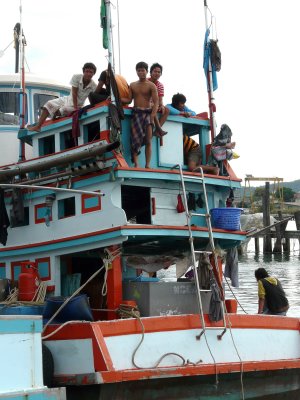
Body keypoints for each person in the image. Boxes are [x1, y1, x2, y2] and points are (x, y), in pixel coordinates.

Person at [28, 63, 97, 132]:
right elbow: (74, 93)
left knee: (63, 110)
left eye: (91, 72)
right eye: (87, 71)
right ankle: (38, 126)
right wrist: (75, 108)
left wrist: (76, 108)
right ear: (83, 71)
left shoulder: (93, 86)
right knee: (48, 104)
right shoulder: (77, 77)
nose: (88, 74)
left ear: (93, 74)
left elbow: (93, 98)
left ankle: (54, 115)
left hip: (78, 105)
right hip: (69, 99)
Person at [167, 93, 218, 174]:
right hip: (190, 151)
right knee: (195, 169)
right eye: (181, 104)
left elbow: (194, 113)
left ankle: (213, 169)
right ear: (175, 104)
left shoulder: (184, 108)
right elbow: (168, 109)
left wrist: (188, 113)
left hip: (195, 149)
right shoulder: (170, 107)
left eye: (184, 104)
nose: (183, 106)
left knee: (191, 167)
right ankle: (209, 170)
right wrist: (183, 113)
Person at [123, 61, 159, 168]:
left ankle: (147, 165)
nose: (141, 73)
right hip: (136, 113)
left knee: (148, 140)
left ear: (147, 71)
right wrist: (116, 98)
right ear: (136, 72)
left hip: (147, 114)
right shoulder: (133, 85)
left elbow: (156, 102)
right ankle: (137, 164)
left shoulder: (151, 85)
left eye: (143, 70)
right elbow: (129, 100)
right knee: (135, 140)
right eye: (139, 71)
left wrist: (152, 115)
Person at [148, 63, 169, 136]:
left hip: (154, 104)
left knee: (166, 110)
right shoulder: (145, 81)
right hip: (144, 103)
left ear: (161, 74)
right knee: (153, 106)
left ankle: (157, 131)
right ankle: (159, 129)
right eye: (155, 71)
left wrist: (161, 106)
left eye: (159, 72)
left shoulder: (160, 85)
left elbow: (160, 100)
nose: (157, 73)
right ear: (150, 72)